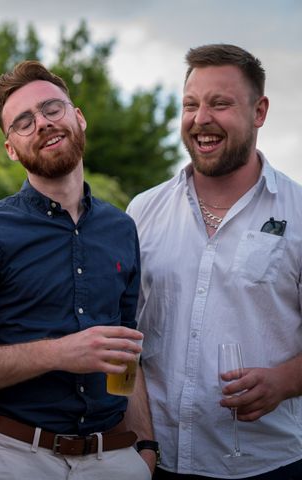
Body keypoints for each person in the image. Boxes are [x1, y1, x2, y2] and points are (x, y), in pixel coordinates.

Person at [0, 61, 156, 479]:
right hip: (16, 457)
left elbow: (127, 352)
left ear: (78, 117)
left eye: (52, 109)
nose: (43, 124)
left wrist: (145, 447)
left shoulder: (122, 229)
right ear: (11, 148)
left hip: (114, 460)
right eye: (24, 121)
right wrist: (60, 352)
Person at [126, 44, 302, 479]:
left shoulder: (299, 213)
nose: (201, 119)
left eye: (220, 103)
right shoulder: (141, 212)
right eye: (190, 104)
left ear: (259, 112)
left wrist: (285, 381)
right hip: (157, 460)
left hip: (269, 465)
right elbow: (125, 340)